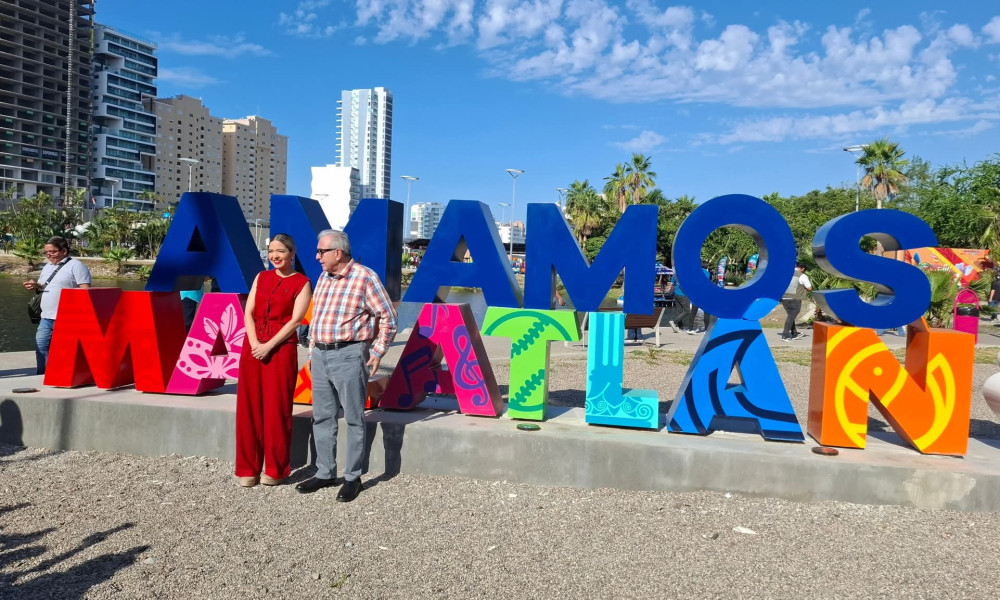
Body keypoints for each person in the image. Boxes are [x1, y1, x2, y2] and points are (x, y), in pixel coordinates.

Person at [296, 230, 397, 502]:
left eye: (321, 252)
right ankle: (325, 472)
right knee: (322, 416)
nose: (317, 257)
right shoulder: (323, 277)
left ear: (338, 252)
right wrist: (312, 352)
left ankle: (353, 477)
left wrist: (378, 351)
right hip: (321, 355)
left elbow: (388, 316)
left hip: (349, 355)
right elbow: (317, 318)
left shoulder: (365, 277)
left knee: (353, 417)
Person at [234, 234, 312, 487]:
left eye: (281, 251)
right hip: (252, 346)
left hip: (280, 349)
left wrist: (268, 345)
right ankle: (248, 469)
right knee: (248, 408)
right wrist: (255, 343)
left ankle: (276, 470)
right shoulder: (261, 277)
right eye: (271, 251)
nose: (275, 256)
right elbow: (248, 313)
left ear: (292, 253)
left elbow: (296, 321)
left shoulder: (302, 282)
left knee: (277, 409)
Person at [23, 236, 91, 374]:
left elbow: (86, 291)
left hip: (66, 318)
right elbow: (43, 285)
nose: (49, 255)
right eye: (46, 252)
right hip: (46, 316)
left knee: (64, 350)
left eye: (53, 251)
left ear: (64, 251)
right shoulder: (47, 266)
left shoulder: (77, 266)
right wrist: (35, 285)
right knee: (41, 346)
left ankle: (62, 375)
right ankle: (43, 374)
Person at [781, 262, 812, 341]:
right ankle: (785, 336)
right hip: (794, 299)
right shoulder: (802, 276)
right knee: (791, 316)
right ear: (803, 269)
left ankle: (794, 333)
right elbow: (809, 288)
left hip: (784, 298)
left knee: (791, 316)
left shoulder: (786, 273)